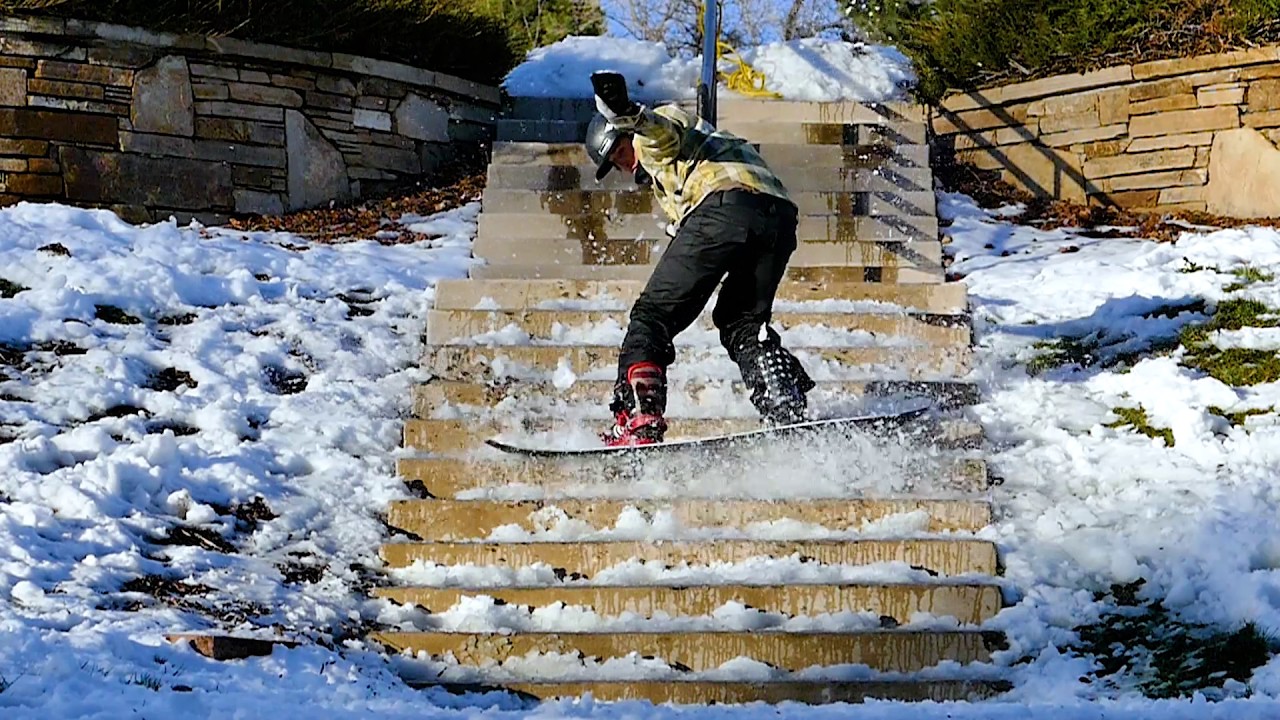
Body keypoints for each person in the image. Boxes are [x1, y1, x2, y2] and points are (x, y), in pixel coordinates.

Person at [585, 70, 815, 447]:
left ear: (626, 135)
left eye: (621, 154)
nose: (627, 167)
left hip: (723, 206)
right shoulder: (701, 148)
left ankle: (638, 413)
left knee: (652, 316)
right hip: (777, 217)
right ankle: (781, 397)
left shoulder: (654, 134)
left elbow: (659, 134)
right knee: (741, 320)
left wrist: (628, 114)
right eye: (617, 164)